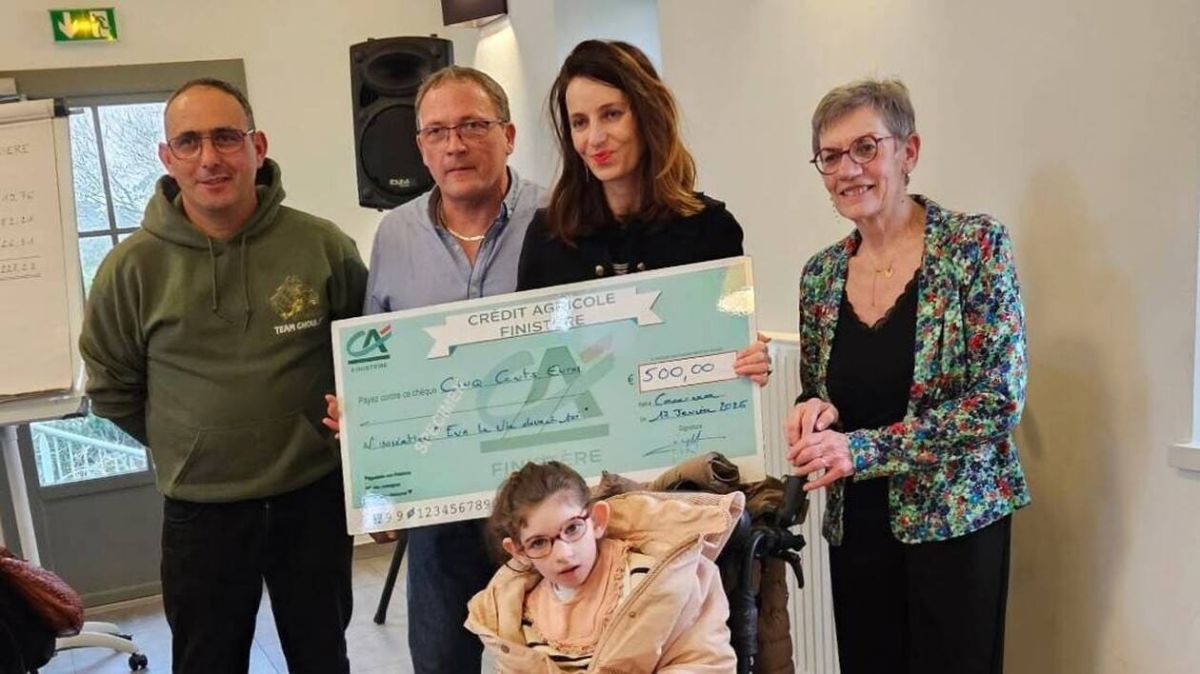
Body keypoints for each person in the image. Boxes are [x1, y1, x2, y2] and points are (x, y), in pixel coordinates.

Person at [78, 78, 368, 673]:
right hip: (201, 511)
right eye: (189, 142)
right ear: (167, 157)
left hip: (311, 498)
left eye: (226, 137)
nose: (209, 157)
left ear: (257, 146)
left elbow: (364, 357)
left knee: (322, 657)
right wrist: (189, 440)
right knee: (206, 662)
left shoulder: (321, 246)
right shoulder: (130, 269)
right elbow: (111, 388)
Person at [785, 78, 1030, 674]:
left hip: (955, 526)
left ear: (908, 151)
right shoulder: (820, 275)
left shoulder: (974, 246)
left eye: (865, 147)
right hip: (858, 530)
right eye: (830, 156)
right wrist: (813, 409)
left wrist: (864, 450)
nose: (848, 169)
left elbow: (998, 400)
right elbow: (821, 388)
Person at [323, 66, 545, 673]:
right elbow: (376, 367)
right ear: (421, 147)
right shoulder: (394, 235)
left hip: (550, 503)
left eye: (473, 126)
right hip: (441, 509)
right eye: (438, 131)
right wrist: (376, 483)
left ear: (508, 135)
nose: (455, 145)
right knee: (443, 660)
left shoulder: (562, 216)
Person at [515, 39, 771, 384]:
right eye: (579, 122)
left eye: (611, 114)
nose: (595, 138)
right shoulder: (548, 235)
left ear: (648, 115)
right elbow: (531, 363)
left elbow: (728, 348)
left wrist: (749, 362)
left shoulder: (711, 230)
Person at [466, 461, 741, 672]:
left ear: (597, 520)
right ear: (518, 551)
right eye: (538, 543)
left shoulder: (663, 578)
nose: (563, 553)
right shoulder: (509, 619)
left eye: (572, 528)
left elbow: (705, 663)